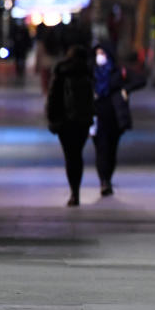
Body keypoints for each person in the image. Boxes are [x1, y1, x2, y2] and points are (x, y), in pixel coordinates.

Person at [91, 43, 145, 196]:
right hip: (97, 116)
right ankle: (104, 181)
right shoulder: (93, 72)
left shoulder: (118, 71)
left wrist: (125, 90)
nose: (99, 56)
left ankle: (107, 177)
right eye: (97, 53)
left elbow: (141, 80)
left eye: (102, 53)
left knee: (111, 150)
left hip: (115, 117)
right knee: (101, 149)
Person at [46, 44, 95, 207]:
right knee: (77, 155)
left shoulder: (61, 71)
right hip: (82, 121)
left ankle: (74, 193)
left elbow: (52, 96)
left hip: (64, 121)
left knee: (70, 156)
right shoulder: (88, 72)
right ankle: (76, 190)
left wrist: (51, 118)